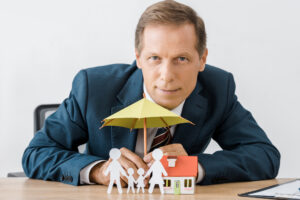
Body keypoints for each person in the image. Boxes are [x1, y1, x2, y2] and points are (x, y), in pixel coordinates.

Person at [22, 0, 280, 187]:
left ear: (202, 59)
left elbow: (264, 155)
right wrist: (98, 170)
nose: (166, 75)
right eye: (155, 58)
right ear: (138, 58)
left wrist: (193, 166)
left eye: (182, 58)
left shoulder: (218, 88)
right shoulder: (93, 87)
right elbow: (36, 154)